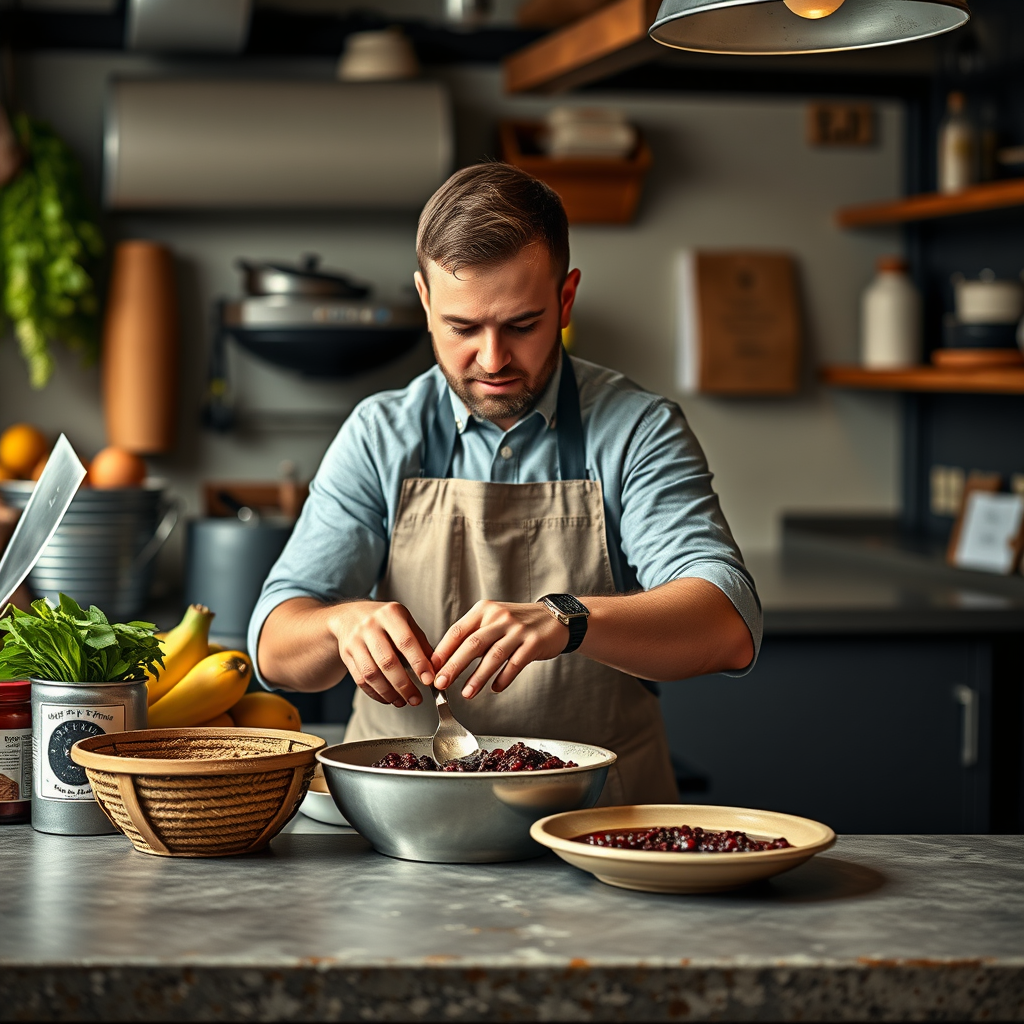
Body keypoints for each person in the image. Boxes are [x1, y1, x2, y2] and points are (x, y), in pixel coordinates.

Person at [249, 163, 761, 804]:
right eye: (463, 328)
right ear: (425, 302)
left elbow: (728, 622)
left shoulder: (637, 429)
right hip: (402, 814)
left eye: (522, 324)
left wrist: (569, 619)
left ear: (566, 299)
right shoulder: (380, 434)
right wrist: (341, 626)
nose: (492, 361)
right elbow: (274, 643)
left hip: (598, 818)